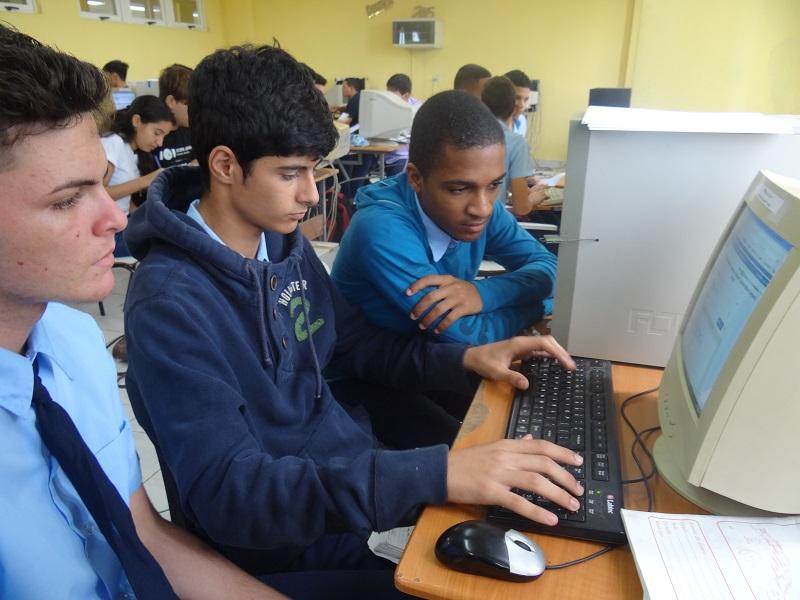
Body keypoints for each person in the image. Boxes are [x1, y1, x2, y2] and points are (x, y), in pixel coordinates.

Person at [123, 44, 583, 580]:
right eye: (290, 173)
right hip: (272, 555)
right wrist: (432, 474)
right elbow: (233, 495)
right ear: (225, 165)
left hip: (335, 499)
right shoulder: (170, 305)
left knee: (543, 517)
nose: (308, 194)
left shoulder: (280, 245)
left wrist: (467, 360)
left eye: (313, 170)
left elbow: (356, 345)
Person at [0, 24, 284, 600]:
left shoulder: (77, 341)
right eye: (66, 200)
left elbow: (141, 532)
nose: (115, 219)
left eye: (102, 186)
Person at [331, 90, 556, 345]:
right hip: (374, 380)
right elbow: (468, 335)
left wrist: (483, 294)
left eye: (494, 185)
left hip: (437, 368)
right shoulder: (380, 228)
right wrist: (543, 303)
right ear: (415, 178)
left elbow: (551, 267)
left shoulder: (480, 208)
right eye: (459, 189)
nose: (482, 208)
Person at [101, 94, 174, 256]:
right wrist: (145, 181)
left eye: (163, 136)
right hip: (109, 233)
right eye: (157, 133)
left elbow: (123, 203)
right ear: (136, 121)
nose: (160, 143)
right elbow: (98, 193)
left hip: (122, 225)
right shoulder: (114, 143)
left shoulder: (132, 152)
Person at [481, 76, 547, 216]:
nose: (522, 105)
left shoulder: (467, 134)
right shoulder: (515, 142)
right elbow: (521, 208)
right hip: (489, 225)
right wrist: (532, 199)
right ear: (512, 105)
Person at [156, 63, 195, 168]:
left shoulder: (192, 130)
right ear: (171, 101)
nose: (195, 110)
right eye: (189, 104)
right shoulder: (152, 136)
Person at [384, 72, 421, 177]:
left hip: (403, 157)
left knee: (395, 182)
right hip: (384, 154)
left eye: (394, 97)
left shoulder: (417, 109)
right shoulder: (385, 105)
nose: (390, 100)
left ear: (406, 95)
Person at [504, 69, 533, 137]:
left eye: (526, 99)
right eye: (517, 98)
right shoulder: (488, 123)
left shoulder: (522, 121)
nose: (522, 105)